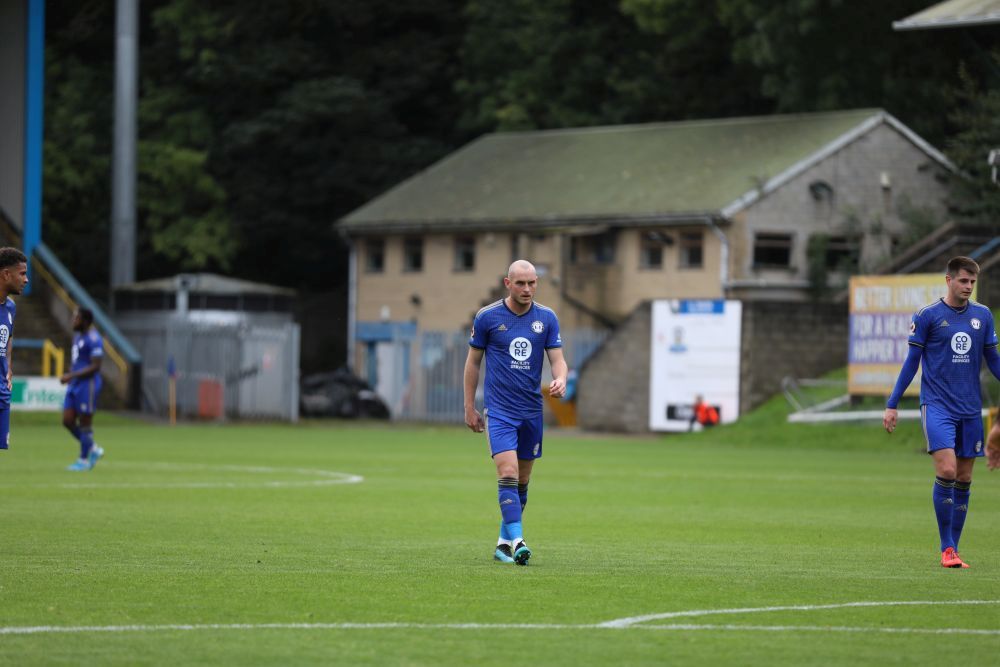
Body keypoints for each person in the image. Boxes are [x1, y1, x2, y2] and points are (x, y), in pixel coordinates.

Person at [883, 256, 1000, 568]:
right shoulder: (928, 316)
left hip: (970, 409)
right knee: (947, 470)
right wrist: (892, 403)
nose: (968, 287)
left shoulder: (983, 316)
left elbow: (994, 361)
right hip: (937, 406)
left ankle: (954, 551)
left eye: (972, 282)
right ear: (949, 280)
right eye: (963, 281)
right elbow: (911, 363)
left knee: (963, 477)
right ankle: (946, 547)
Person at [464, 259, 568, 566]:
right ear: (507, 284)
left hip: (531, 412)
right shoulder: (488, 317)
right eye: (520, 283)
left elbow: (558, 360)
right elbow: (472, 363)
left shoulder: (546, 318)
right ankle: (520, 540)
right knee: (507, 472)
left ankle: (502, 544)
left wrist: (560, 378)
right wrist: (469, 407)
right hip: (500, 410)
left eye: (532, 283)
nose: (527, 289)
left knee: (521, 483)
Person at [60, 307, 105, 471]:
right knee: (67, 420)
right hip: (75, 383)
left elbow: (96, 366)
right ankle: (93, 448)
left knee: (85, 423)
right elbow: (78, 361)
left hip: (88, 384)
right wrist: (70, 374)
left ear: (85, 321)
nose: (73, 321)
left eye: (76, 318)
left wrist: (71, 376)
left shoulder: (94, 339)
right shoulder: (77, 337)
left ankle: (84, 459)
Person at [0, 247, 28, 453]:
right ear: (6, 274)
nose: (26, 279)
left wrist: (8, 367)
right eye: (22, 273)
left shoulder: (10, 307)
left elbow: (8, 338)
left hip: (1, 392)